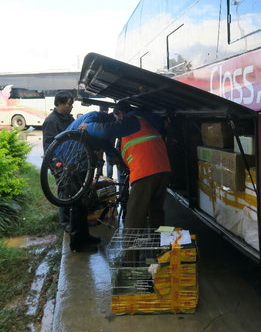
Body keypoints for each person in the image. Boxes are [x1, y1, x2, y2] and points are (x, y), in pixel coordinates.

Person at [79, 101, 171, 230]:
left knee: (134, 217)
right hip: (164, 169)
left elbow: (107, 130)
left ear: (120, 114)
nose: (117, 121)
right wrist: (121, 161)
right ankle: (162, 247)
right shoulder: (145, 121)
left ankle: (130, 250)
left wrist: (89, 127)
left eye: (116, 118)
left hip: (146, 171)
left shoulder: (131, 119)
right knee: (157, 212)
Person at [57, 111, 120, 251]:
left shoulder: (101, 119)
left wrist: (114, 155)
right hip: (73, 162)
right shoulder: (97, 116)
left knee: (83, 201)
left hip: (78, 160)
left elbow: (104, 142)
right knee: (77, 202)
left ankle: (85, 236)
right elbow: (93, 129)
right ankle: (77, 244)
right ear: (113, 117)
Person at [42, 91, 75, 231]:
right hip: (59, 163)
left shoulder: (70, 119)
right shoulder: (51, 121)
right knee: (63, 191)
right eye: (69, 104)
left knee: (73, 190)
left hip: (71, 160)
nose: (71, 107)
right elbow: (48, 146)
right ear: (60, 103)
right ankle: (65, 221)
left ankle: (73, 219)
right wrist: (55, 165)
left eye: (72, 104)